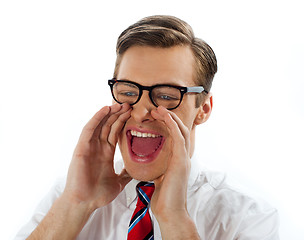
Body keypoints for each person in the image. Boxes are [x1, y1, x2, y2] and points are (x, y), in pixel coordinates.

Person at [15, 15, 279, 240]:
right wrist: (75, 205)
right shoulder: (69, 196)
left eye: (166, 95)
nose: (141, 112)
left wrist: (174, 219)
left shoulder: (249, 217)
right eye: (128, 91)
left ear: (204, 109)